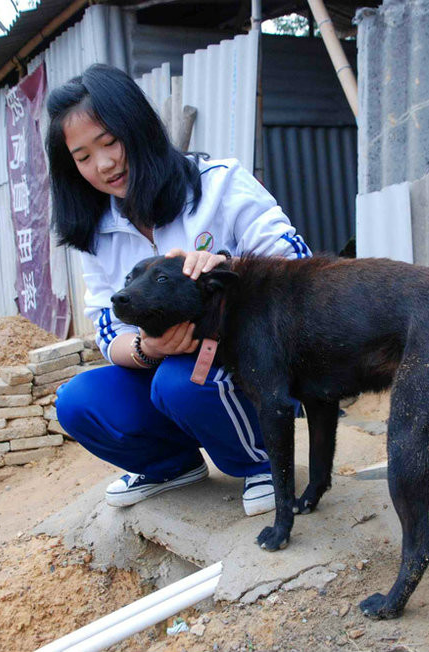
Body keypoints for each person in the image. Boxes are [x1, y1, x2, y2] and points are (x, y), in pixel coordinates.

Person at [47, 64, 312, 516]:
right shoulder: (96, 230)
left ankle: (264, 463)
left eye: (110, 141)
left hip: (255, 362)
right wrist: (148, 349)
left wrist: (232, 266)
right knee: (78, 401)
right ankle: (170, 467)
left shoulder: (219, 185)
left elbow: (300, 266)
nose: (104, 164)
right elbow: (107, 331)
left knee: (182, 381)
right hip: (170, 374)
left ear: (140, 128)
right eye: (83, 156)